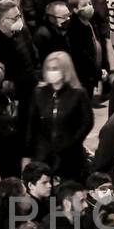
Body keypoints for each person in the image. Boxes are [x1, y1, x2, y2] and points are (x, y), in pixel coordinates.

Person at [27, 51, 93, 182]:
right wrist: (29, 152)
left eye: (55, 68)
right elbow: (31, 124)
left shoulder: (78, 94)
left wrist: (73, 142)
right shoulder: (39, 93)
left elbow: (87, 122)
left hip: (70, 155)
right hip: (44, 155)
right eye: (49, 68)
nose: (52, 72)